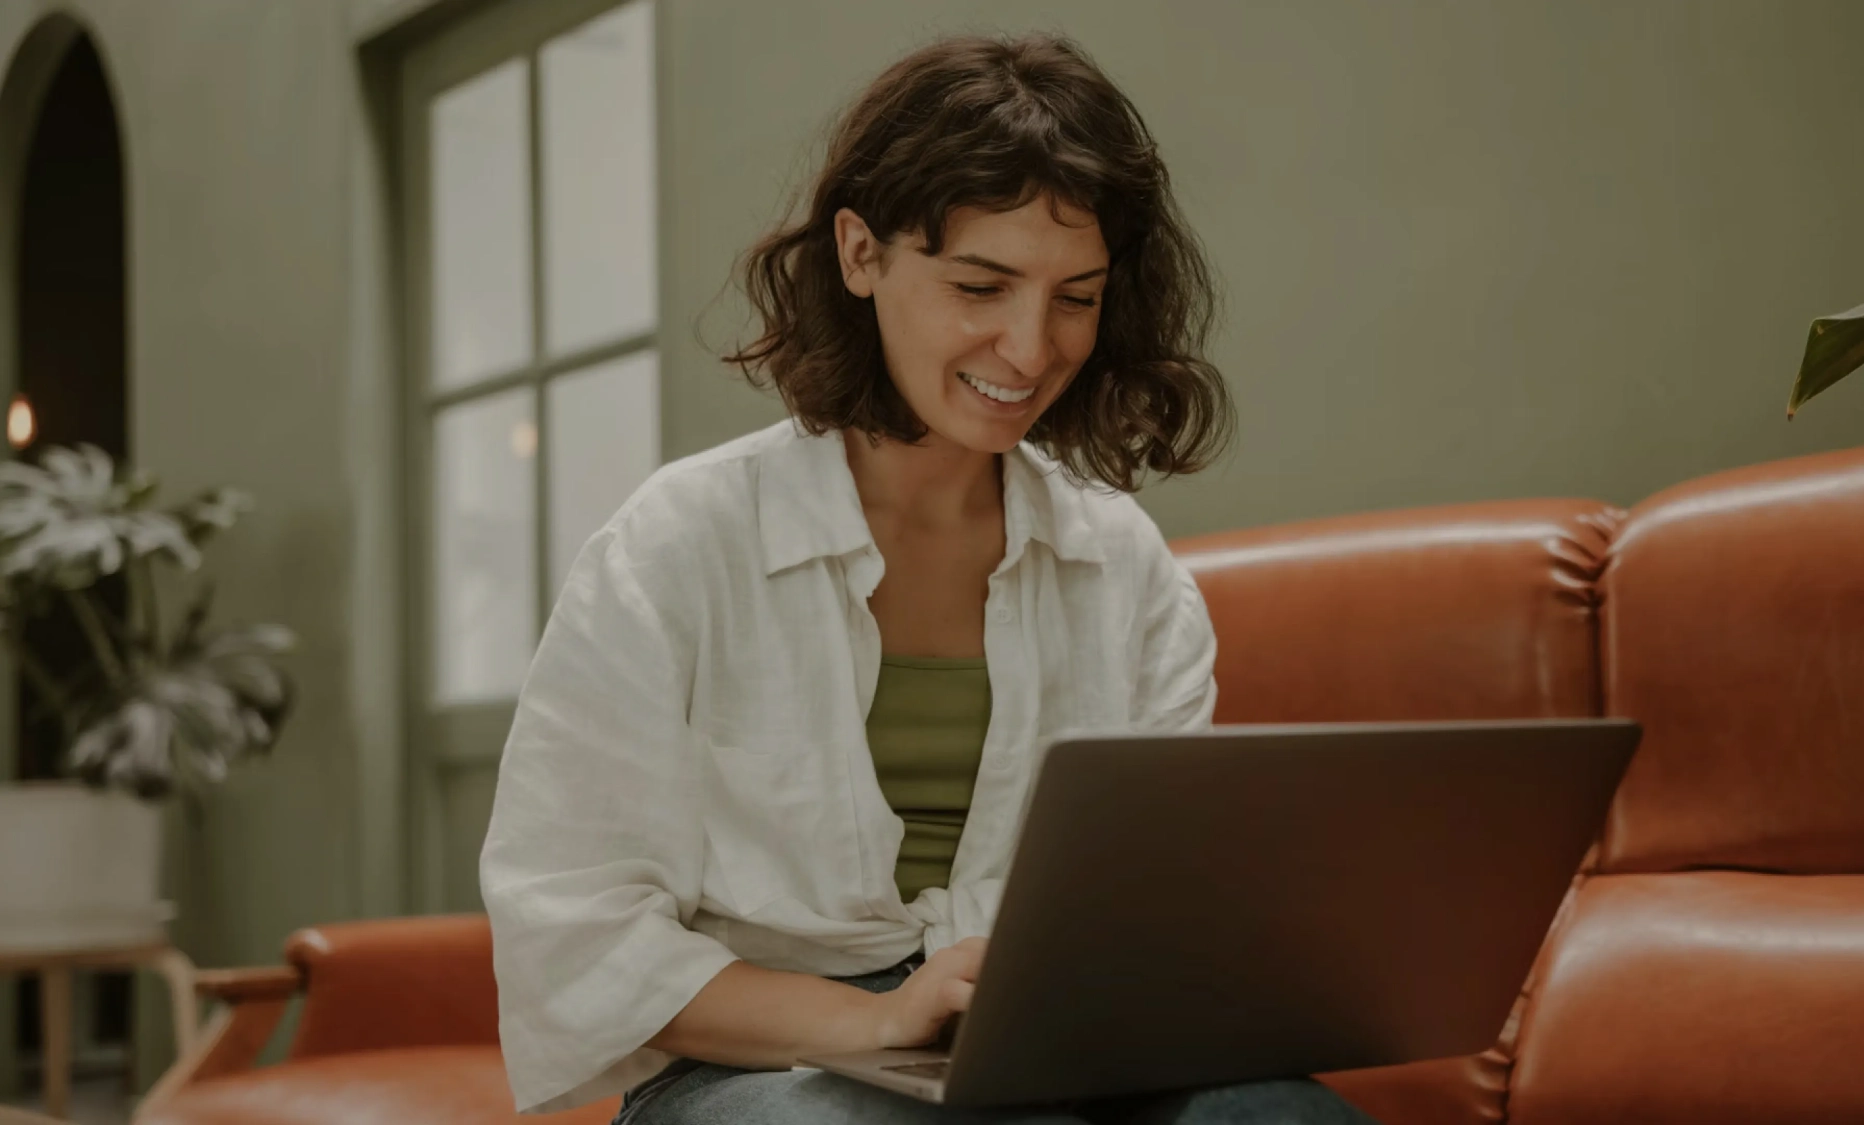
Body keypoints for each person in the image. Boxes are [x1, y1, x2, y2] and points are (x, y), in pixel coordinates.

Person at [481, 31, 1379, 1125]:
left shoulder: (1122, 566)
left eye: (1074, 298)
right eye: (980, 284)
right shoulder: (676, 544)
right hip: (758, 1060)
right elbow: (574, 928)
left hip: (1045, 1031)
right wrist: (874, 1019)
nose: (1028, 347)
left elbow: (1152, 902)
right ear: (860, 255)